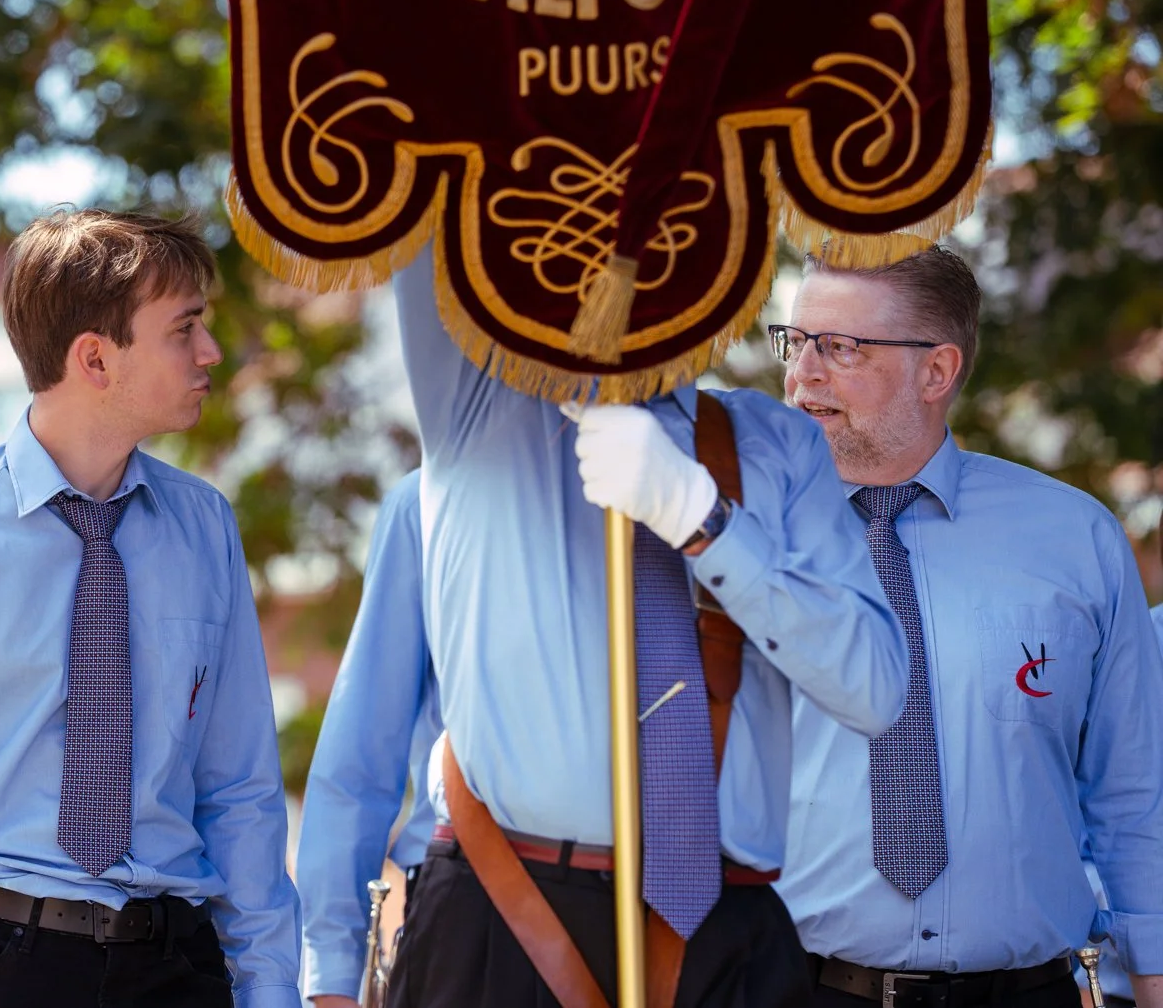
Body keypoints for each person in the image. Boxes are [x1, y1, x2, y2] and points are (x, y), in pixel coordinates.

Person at [385, 246, 907, 1008]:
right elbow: (429, 189)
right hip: (502, 916)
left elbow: (876, 687)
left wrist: (704, 522)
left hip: (728, 927)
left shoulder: (779, 444)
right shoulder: (474, 399)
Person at [0, 210, 300, 1008]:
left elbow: (241, 789)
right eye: (183, 328)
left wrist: (270, 990)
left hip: (178, 966)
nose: (210, 352)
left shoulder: (204, 526)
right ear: (95, 357)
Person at [773, 246, 1163, 1008]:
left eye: (842, 346)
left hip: (1028, 993)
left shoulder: (1074, 538)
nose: (805, 372)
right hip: (798, 987)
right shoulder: (737, 542)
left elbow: (1132, 791)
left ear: (937, 370)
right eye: (796, 339)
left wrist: (1153, 977)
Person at [296, 469, 444, 1007]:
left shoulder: (718, 461)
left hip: (704, 915)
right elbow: (361, 761)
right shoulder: (429, 503)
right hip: (476, 917)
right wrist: (335, 975)